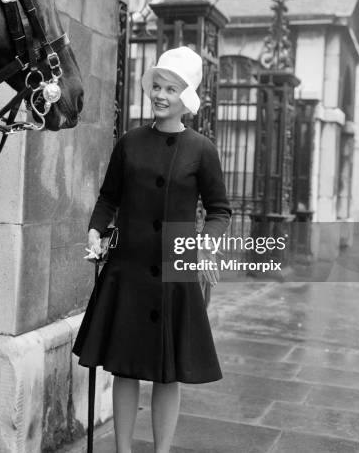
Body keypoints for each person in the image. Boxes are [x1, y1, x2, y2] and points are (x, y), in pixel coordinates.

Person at [72, 46, 231, 453]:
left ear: (186, 97)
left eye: (170, 89)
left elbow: (219, 210)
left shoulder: (201, 149)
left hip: (174, 269)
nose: (160, 95)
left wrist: (206, 247)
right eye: (156, 86)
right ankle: (123, 450)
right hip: (128, 266)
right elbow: (109, 199)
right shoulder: (129, 143)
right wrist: (95, 231)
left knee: (166, 371)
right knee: (125, 366)